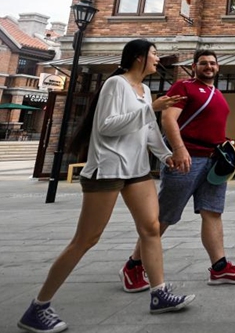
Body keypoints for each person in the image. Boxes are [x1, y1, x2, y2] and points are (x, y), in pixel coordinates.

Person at [18, 39, 194, 333]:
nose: (157, 59)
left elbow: (149, 131)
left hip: (136, 170)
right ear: (138, 58)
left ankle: (159, 293)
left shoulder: (145, 90)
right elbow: (108, 126)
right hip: (108, 169)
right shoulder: (116, 85)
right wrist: (151, 108)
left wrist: (166, 156)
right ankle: (37, 307)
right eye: (154, 54)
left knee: (151, 228)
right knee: (86, 239)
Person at [120, 49, 235, 293]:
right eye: (203, 63)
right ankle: (133, 265)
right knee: (165, 215)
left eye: (212, 63)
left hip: (214, 162)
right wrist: (179, 150)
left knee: (212, 212)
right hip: (188, 159)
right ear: (194, 66)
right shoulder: (184, 86)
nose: (209, 67)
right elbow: (168, 119)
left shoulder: (216, 93)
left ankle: (219, 267)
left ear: (218, 67)